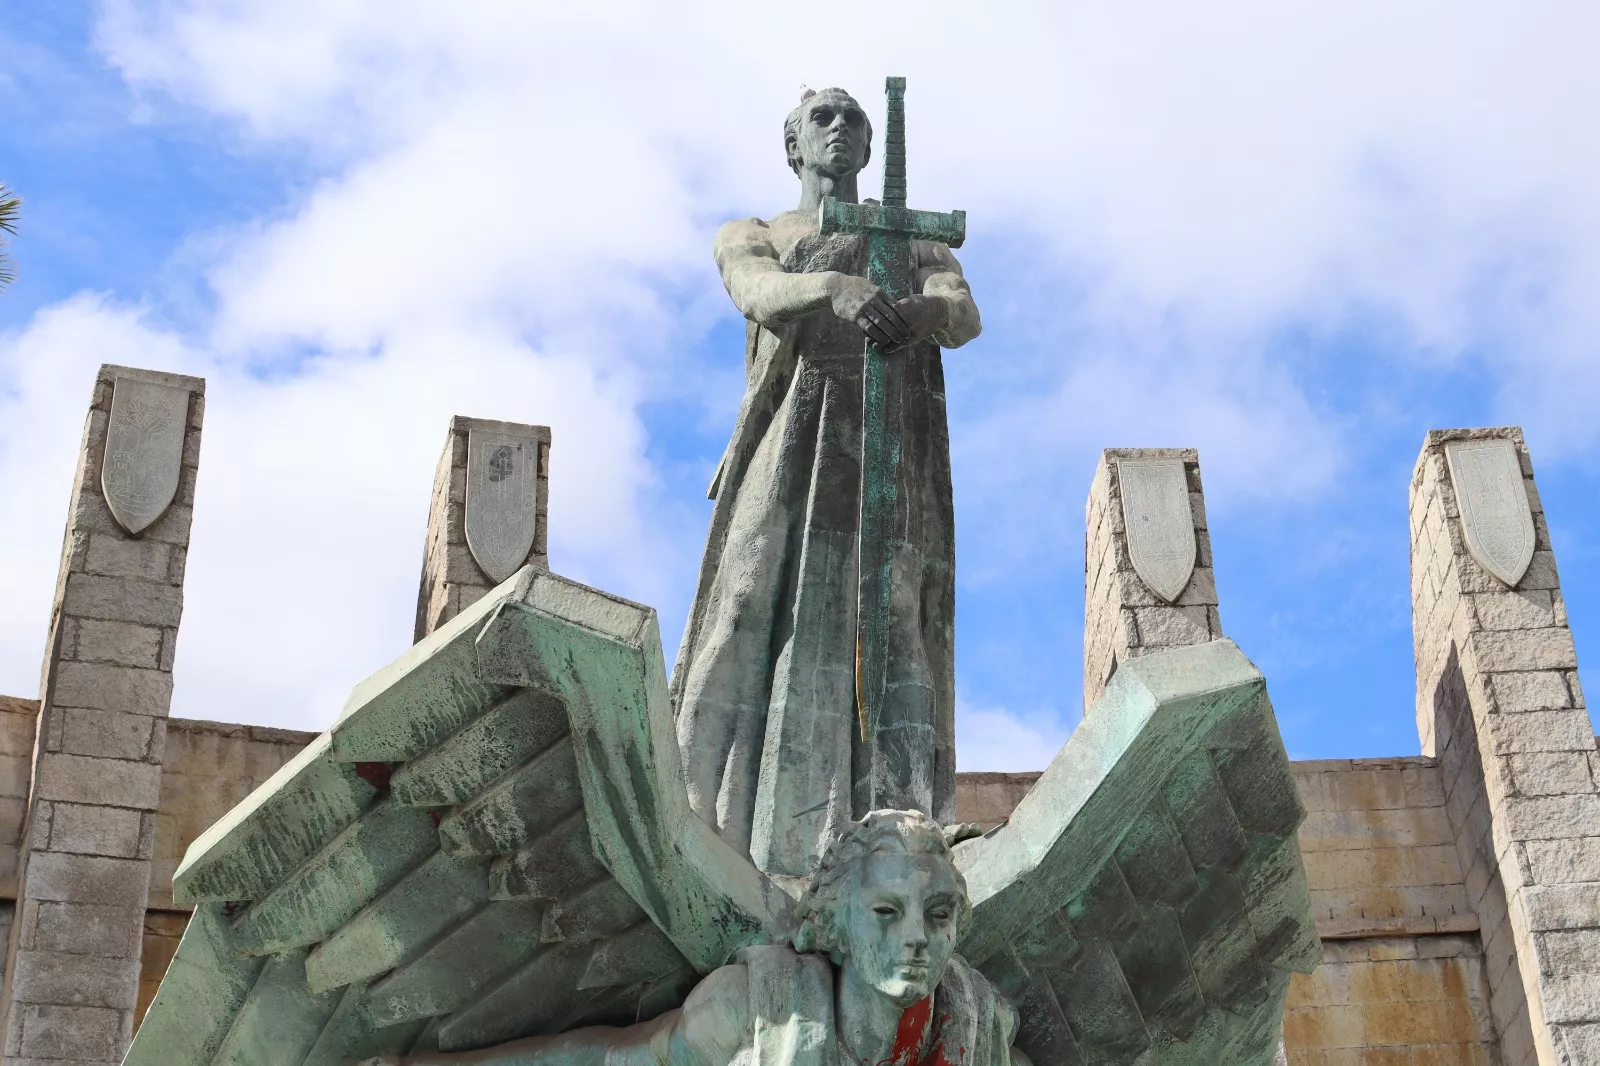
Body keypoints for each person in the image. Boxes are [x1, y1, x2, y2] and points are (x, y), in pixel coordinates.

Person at [673, 87, 982, 876]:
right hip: (791, 436)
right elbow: (758, 291)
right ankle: (693, 805)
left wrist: (923, 313)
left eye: (854, 121)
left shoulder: (908, 237)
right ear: (794, 146)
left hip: (887, 447)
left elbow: (961, 307)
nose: (840, 129)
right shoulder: (756, 232)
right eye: (824, 118)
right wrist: (834, 288)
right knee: (746, 595)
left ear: (872, 147)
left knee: (893, 618)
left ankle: (907, 817)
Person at [357, 811, 1027, 1066]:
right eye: (886, 911)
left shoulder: (978, 1031)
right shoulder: (753, 1008)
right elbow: (603, 1060)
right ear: (836, 920)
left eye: (939, 915)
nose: (916, 939)